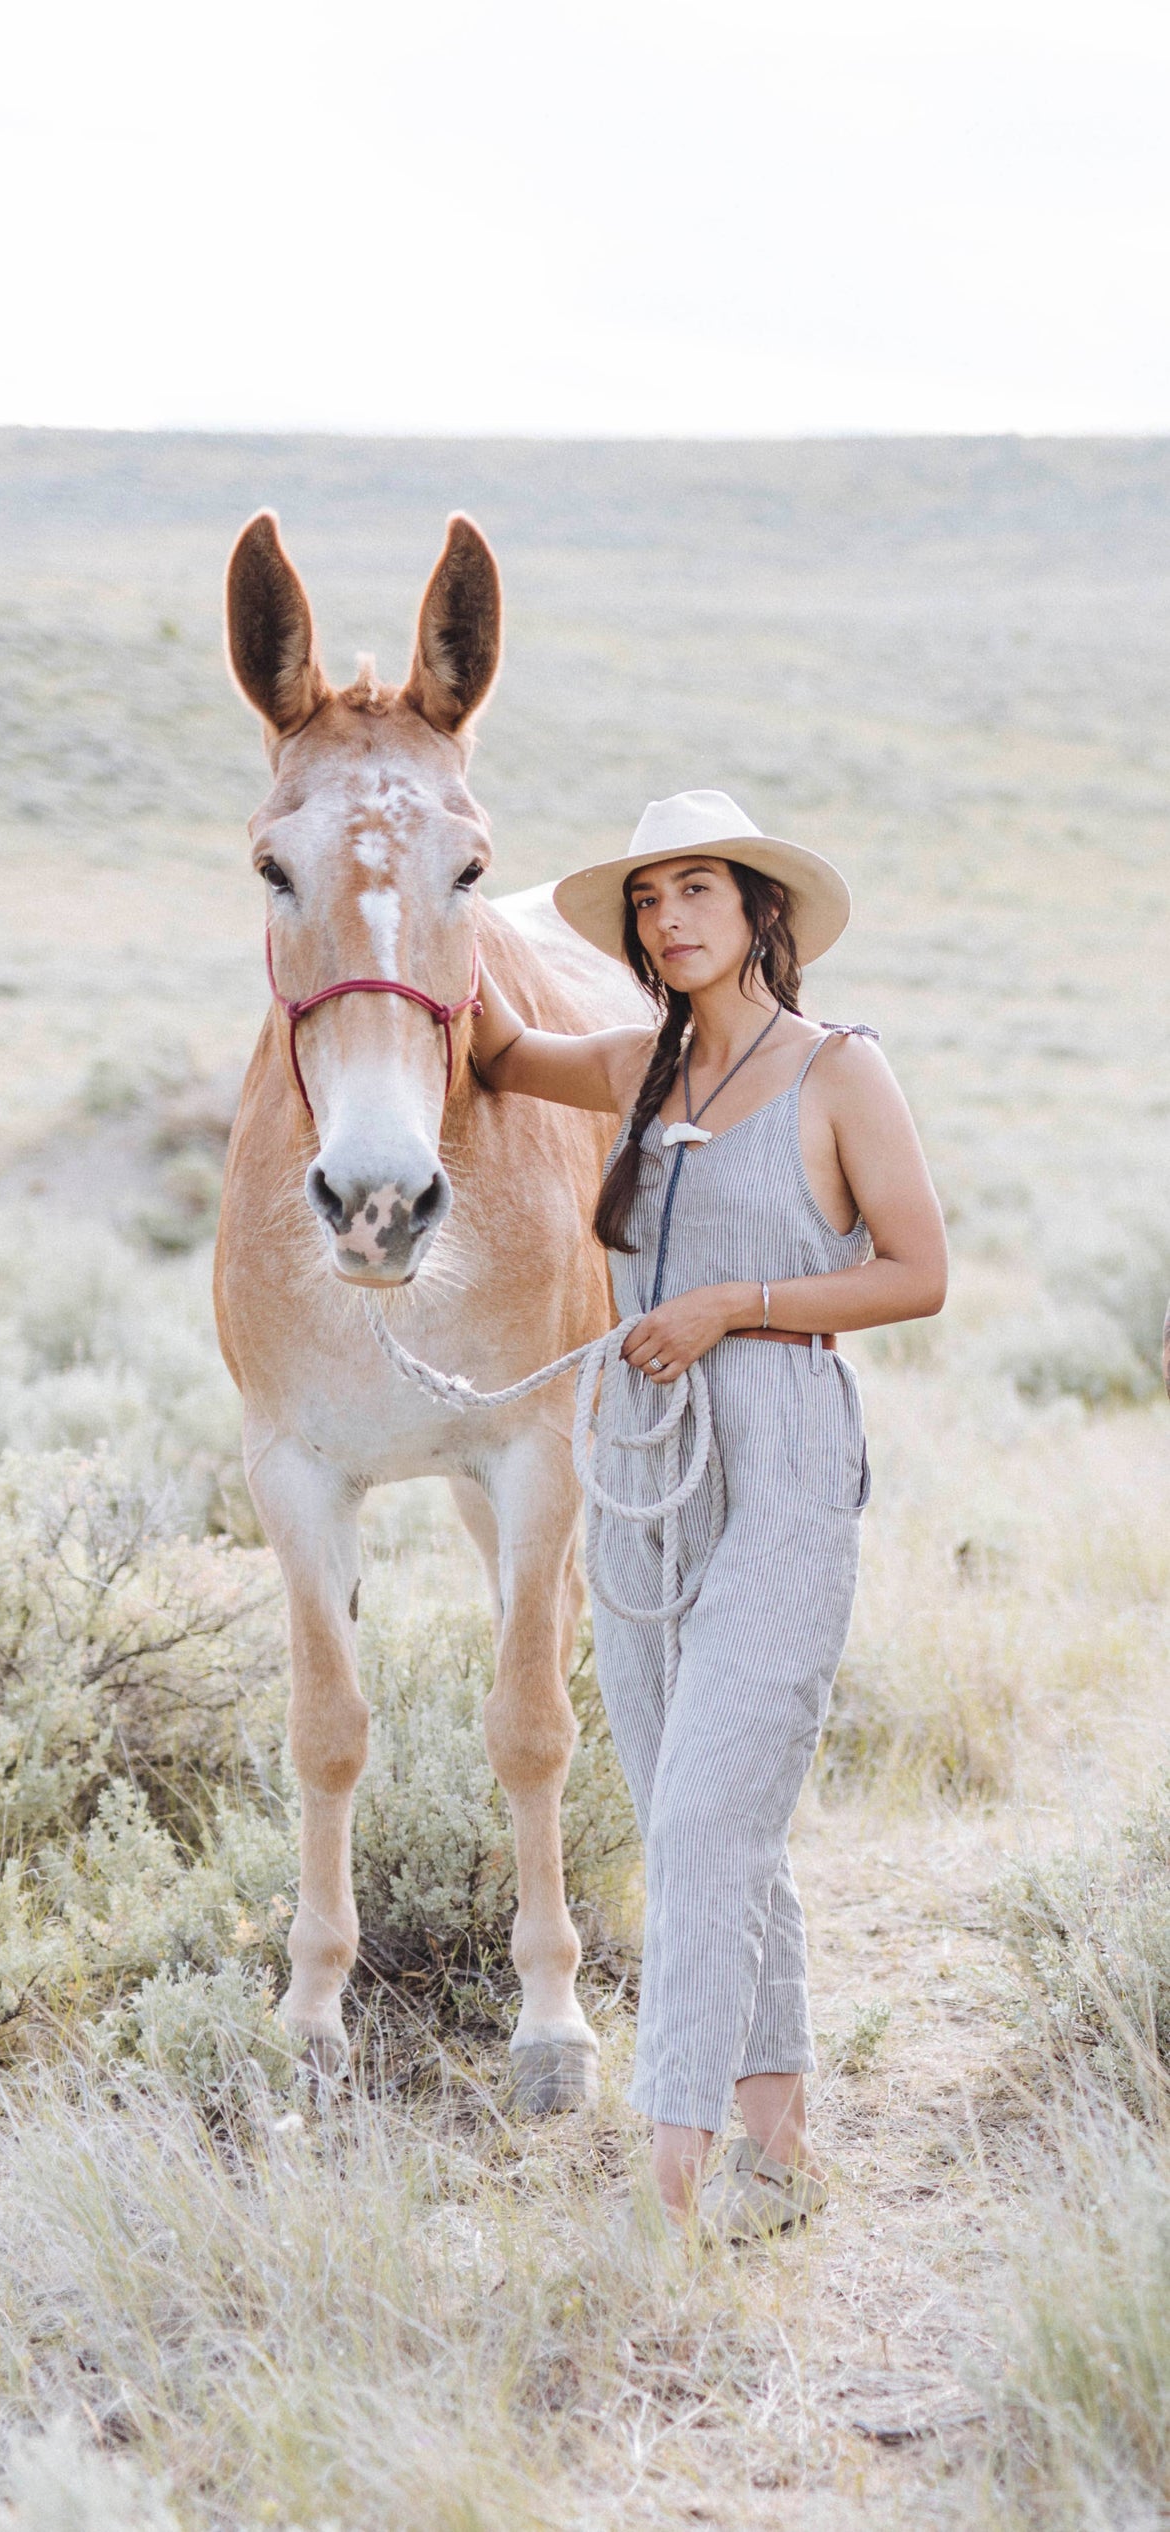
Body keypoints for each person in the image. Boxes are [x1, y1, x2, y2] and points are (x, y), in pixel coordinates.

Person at [471, 790, 947, 2241]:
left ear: (758, 914)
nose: (667, 918)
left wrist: (733, 1303)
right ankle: (779, 2146)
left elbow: (915, 1272)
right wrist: (427, 884)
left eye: (696, 889)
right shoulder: (626, 1068)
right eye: (646, 899)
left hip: (785, 1446)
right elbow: (483, 1046)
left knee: (694, 1821)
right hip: (641, 1459)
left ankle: (667, 2178)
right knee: (716, 1811)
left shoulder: (836, 1072)